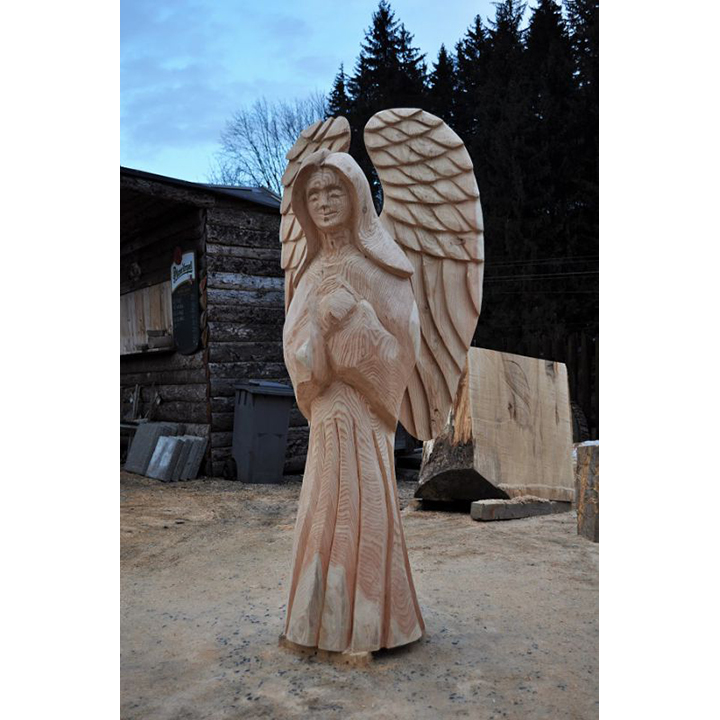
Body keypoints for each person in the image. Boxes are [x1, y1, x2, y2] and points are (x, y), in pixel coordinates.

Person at [282, 149, 425, 652]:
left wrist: (357, 318)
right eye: (313, 194)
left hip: (364, 418)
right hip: (326, 417)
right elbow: (294, 350)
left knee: (366, 512)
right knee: (321, 510)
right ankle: (314, 624)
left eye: (333, 191)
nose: (323, 202)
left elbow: (403, 345)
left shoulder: (379, 267)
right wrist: (318, 336)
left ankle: (375, 623)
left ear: (356, 196)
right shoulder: (308, 275)